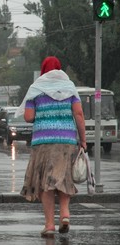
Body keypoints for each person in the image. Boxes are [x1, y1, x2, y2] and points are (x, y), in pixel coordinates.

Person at [16, 56, 87, 238]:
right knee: (64, 178)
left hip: (43, 141)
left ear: (43, 69)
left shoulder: (36, 89)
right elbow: (78, 114)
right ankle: (64, 213)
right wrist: (83, 140)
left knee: (45, 182)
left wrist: (42, 109)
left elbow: (28, 117)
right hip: (67, 141)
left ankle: (49, 224)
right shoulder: (69, 88)